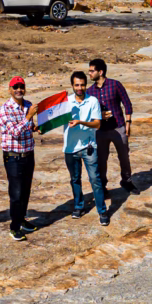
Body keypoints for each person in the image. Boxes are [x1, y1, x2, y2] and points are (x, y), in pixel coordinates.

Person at [64, 71, 110, 225]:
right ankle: (78, 206)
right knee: (75, 179)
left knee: (95, 179)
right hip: (70, 147)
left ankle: (102, 211)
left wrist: (81, 122)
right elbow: (53, 118)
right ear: (72, 85)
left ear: (86, 85)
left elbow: (97, 123)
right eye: (77, 85)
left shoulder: (93, 101)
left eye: (82, 84)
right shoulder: (66, 102)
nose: (80, 88)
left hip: (89, 146)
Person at [87, 58, 139, 194]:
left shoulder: (115, 85)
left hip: (118, 127)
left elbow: (127, 104)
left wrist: (128, 123)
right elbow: (87, 112)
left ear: (101, 72)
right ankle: (102, 186)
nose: (89, 74)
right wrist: (98, 116)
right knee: (101, 160)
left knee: (124, 157)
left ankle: (126, 181)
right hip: (100, 131)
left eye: (92, 71)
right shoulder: (90, 91)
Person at [0, 76, 40, 240]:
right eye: (15, 87)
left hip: (28, 154)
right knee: (16, 193)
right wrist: (29, 117)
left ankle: (22, 219)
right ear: (10, 90)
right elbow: (15, 132)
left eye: (21, 87)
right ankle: (14, 227)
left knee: (25, 191)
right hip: (13, 157)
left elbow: (27, 128)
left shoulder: (28, 105)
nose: (19, 90)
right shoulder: (5, 109)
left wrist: (37, 127)